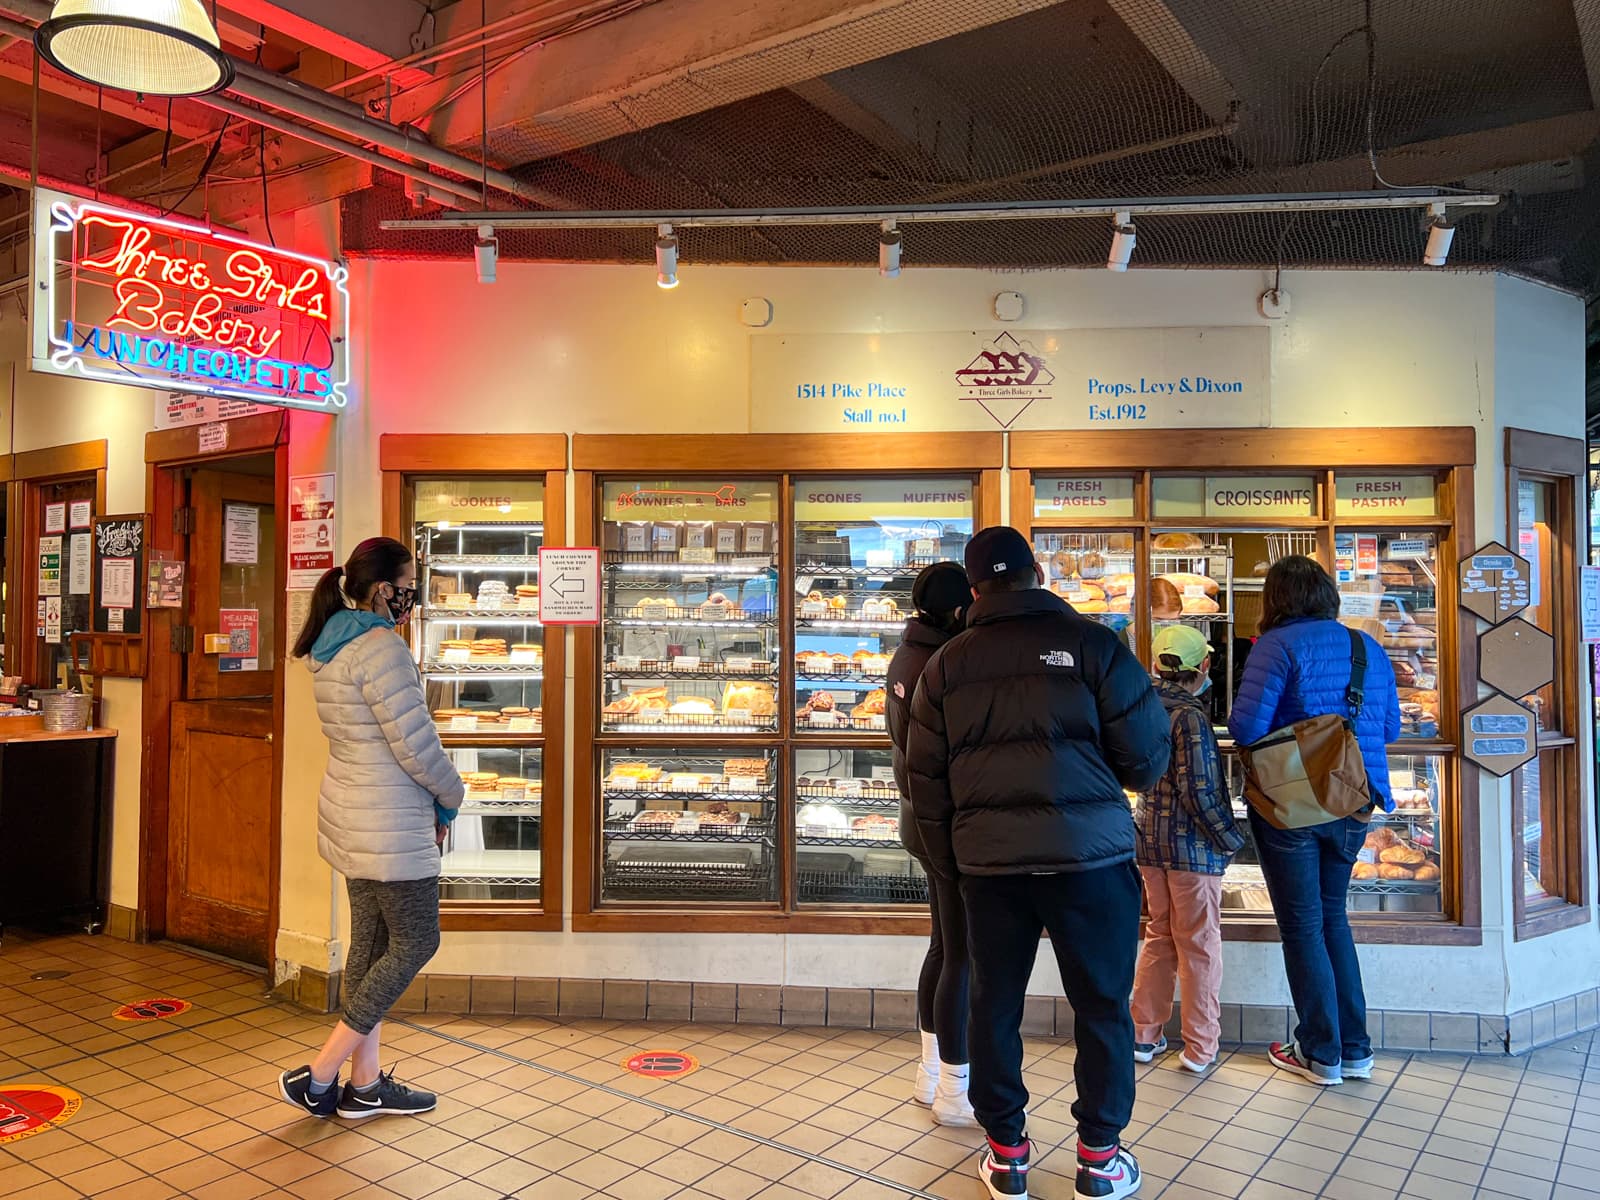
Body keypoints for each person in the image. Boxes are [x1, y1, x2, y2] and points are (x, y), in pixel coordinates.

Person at [907, 526, 1170, 1200]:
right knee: (1103, 1007)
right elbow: (1146, 758)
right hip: (1091, 863)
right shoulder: (1095, 646)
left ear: (973, 589)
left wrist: (953, 866)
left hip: (991, 872)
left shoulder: (946, 665)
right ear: (1035, 573)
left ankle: (1007, 1156)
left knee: (993, 1004)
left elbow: (925, 785)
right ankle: (1101, 1160)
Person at [278, 536, 464, 1120]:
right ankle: (323, 1073)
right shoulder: (382, 648)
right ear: (385, 588)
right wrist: (453, 795)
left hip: (352, 815)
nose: (412, 594)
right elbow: (416, 747)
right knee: (416, 941)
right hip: (391, 823)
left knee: (373, 944)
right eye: (409, 583)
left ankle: (364, 1086)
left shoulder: (332, 645)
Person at [1228, 555, 1400, 1087]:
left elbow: (1245, 727)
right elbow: (1390, 728)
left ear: (1275, 600)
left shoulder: (1276, 646)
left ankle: (1320, 1051)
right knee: (1333, 919)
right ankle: (1356, 1048)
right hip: (1354, 799)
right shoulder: (1364, 646)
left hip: (1292, 804)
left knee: (1302, 926)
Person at [1129, 625, 1245, 1075]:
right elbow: (1199, 791)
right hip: (1191, 851)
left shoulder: (1140, 709)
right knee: (1198, 943)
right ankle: (1200, 1046)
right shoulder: (1190, 716)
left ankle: (1144, 1034)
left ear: (1156, 664)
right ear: (1205, 667)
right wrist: (1230, 838)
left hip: (1150, 845)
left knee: (1160, 934)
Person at [886, 562, 974, 1127]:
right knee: (961, 952)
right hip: (943, 823)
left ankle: (930, 1075)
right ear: (957, 609)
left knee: (944, 946)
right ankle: (955, 1089)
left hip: (919, 819)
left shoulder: (908, 653)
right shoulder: (940, 663)